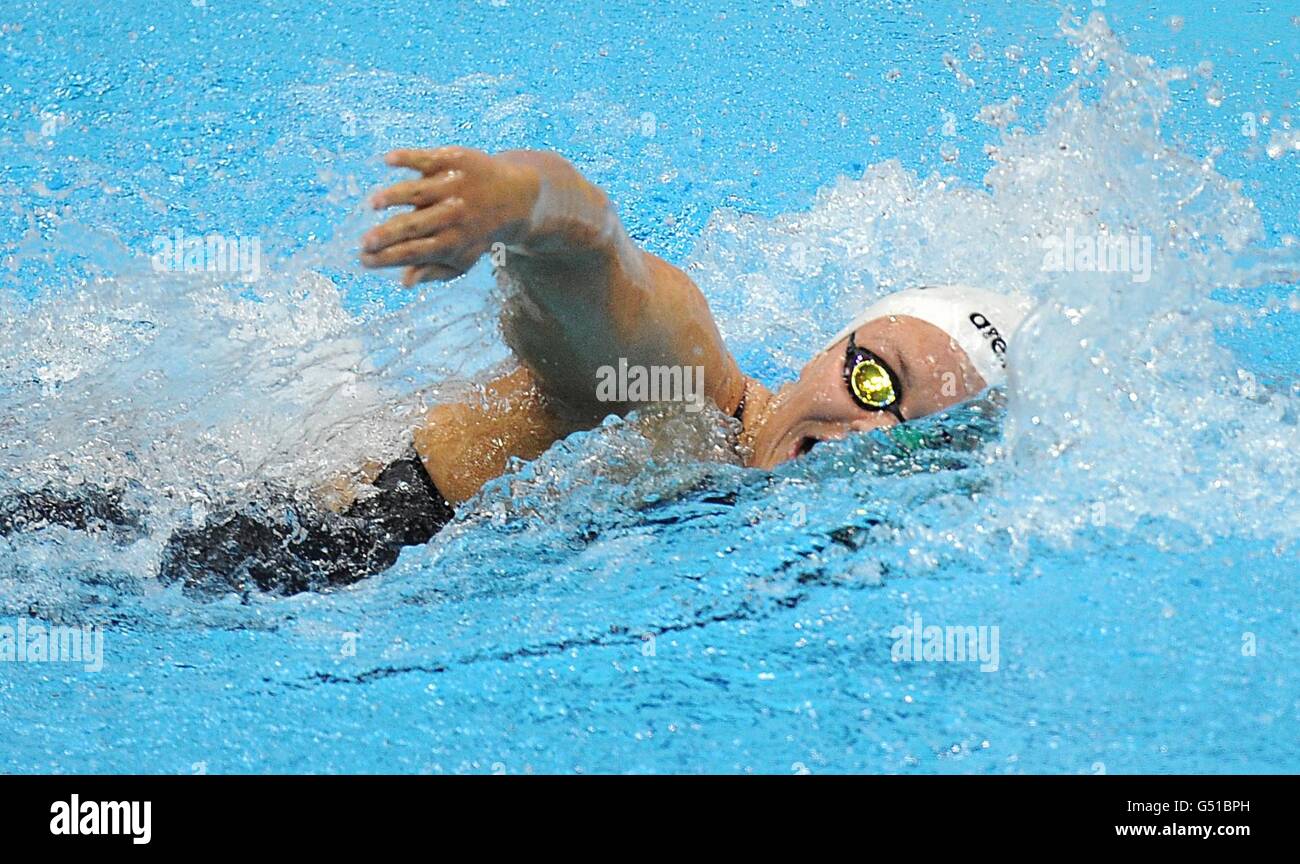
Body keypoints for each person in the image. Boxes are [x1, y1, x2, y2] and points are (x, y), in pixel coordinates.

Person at [3, 147, 1031, 596]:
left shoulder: (761, 512)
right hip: (216, 548)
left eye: (919, 437)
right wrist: (510, 204)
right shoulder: (687, 392)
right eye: (877, 381)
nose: (869, 432)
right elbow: (599, 254)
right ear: (831, 348)